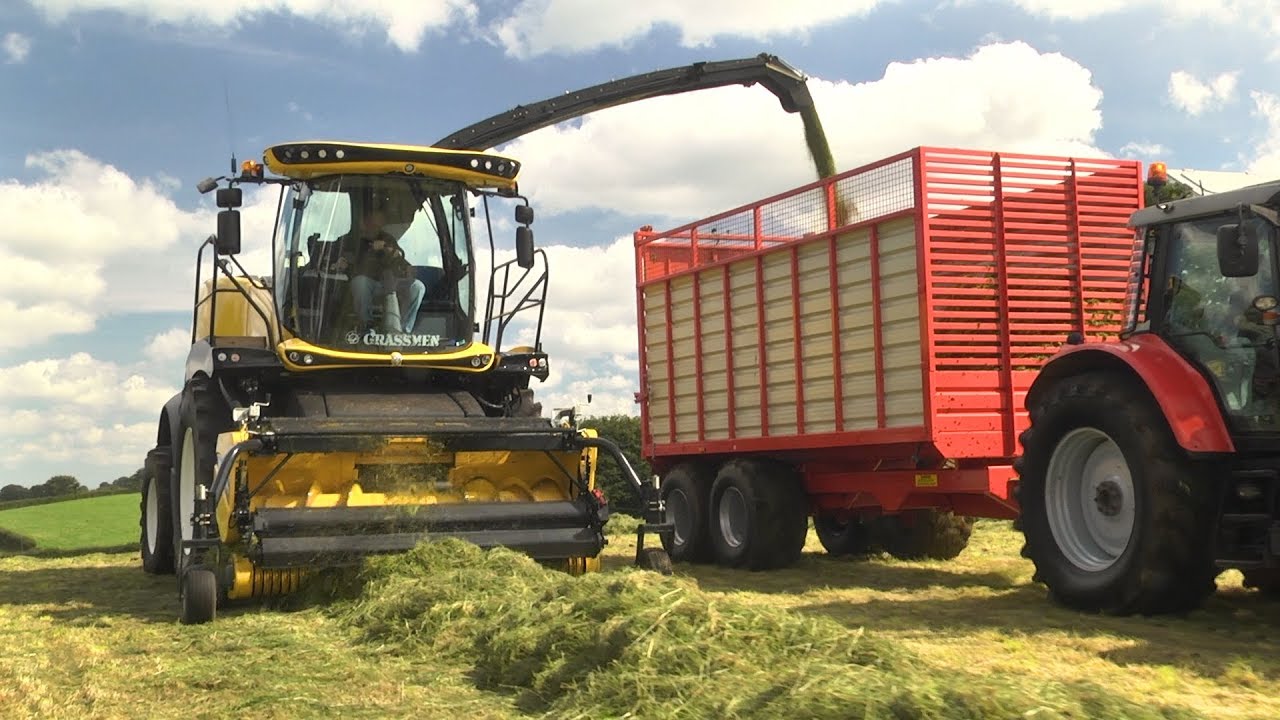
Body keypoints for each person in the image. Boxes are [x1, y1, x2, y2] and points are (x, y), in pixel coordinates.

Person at [336, 208, 425, 334]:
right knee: (360, 283)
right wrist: (340, 263)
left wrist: (386, 248)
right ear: (364, 222)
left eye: (379, 225)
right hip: (367, 284)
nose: (375, 228)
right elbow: (338, 259)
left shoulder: (387, 239)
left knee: (417, 287)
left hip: (391, 283)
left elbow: (399, 256)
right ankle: (367, 326)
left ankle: (403, 331)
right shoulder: (350, 241)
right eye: (372, 224)